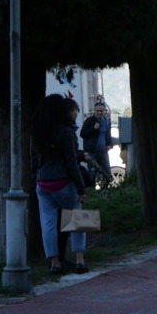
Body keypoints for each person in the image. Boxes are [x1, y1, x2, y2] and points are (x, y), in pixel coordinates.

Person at [33, 94, 88, 275]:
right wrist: (81, 188)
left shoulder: (39, 131)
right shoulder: (66, 131)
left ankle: (54, 263)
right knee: (77, 218)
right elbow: (71, 162)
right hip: (63, 181)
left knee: (48, 223)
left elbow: (34, 160)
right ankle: (80, 260)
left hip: (42, 182)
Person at [78, 101, 115, 188]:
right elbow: (82, 134)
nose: (99, 113)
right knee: (92, 174)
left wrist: (110, 145)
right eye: (97, 111)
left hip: (103, 151)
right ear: (94, 111)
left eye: (101, 111)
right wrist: (93, 128)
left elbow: (108, 135)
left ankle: (106, 190)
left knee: (107, 172)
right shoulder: (89, 121)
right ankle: (92, 192)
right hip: (91, 152)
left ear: (104, 111)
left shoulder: (106, 121)